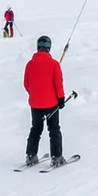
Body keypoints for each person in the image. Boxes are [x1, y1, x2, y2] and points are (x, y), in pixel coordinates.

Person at [23, 35, 67, 167]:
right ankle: (57, 157)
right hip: (51, 103)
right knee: (54, 129)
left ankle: (31, 155)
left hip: (35, 104)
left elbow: (26, 83)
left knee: (35, 128)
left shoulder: (30, 64)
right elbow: (58, 83)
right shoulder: (54, 64)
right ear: (49, 48)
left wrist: (35, 94)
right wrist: (61, 99)